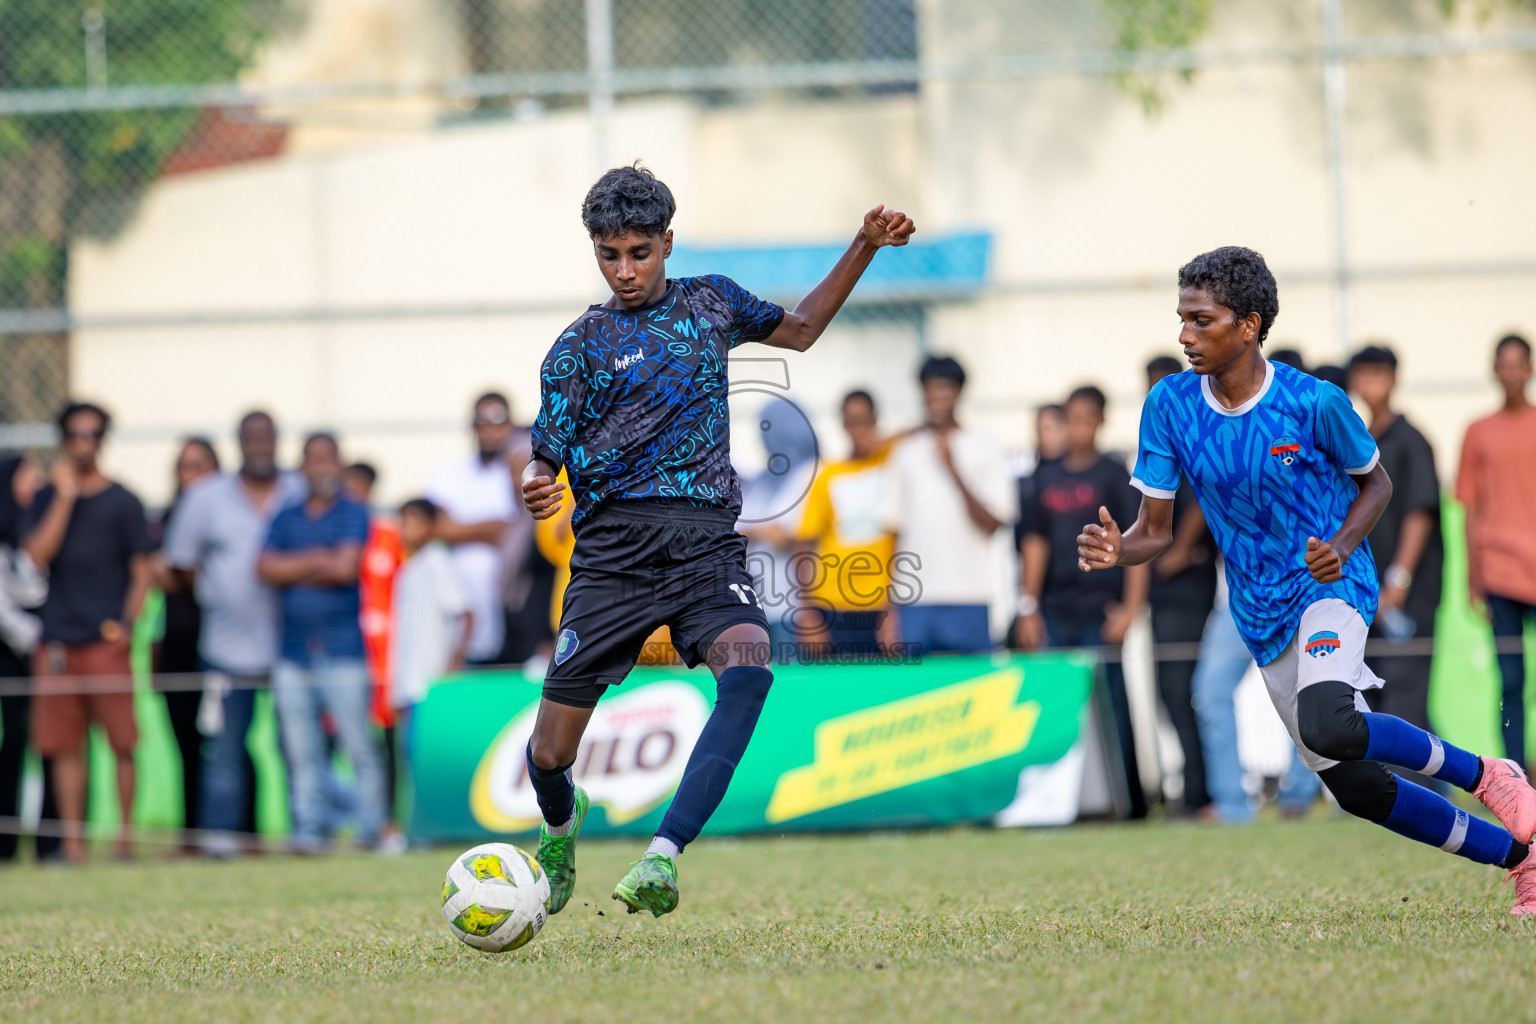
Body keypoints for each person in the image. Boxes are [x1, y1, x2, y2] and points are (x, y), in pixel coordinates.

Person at [1078, 245, 1536, 914]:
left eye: (1202, 320)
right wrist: (1122, 550)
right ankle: (1521, 859)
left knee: (1331, 722)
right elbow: (1156, 528)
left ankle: (1490, 774)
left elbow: (1374, 484)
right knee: (1356, 789)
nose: (1184, 336)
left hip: (1333, 586)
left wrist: (1343, 546)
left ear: (1249, 324)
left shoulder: (1312, 402)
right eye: (1181, 319)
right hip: (1258, 612)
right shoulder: (1170, 405)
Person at [520, 163, 914, 917]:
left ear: (668, 242)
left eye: (640, 251)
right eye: (610, 255)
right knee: (549, 754)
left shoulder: (712, 302)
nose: (626, 270)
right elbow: (547, 447)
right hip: (612, 557)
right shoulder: (581, 345)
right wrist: (538, 476)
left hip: (704, 548)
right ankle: (562, 826)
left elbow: (799, 331)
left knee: (750, 670)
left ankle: (662, 858)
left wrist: (864, 244)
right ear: (595, 253)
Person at [164, 410, 302, 856]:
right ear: (239, 442)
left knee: (297, 748)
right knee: (223, 751)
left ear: (277, 440)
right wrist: (219, 593)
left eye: (267, 436)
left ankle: (305, 836)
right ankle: (221, 841)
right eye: (251, 437)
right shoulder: (206, 496)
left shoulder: (298, 489)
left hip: (291, 646)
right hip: (224, 647)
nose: (260, 445)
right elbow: (180, 564)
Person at [22, 401, 153, 862]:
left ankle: (125, 840)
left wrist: (127, 625)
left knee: (121, 743)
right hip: (58, 640)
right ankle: (73, 845)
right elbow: (37, 555)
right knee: (64, 747)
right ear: (63, 439)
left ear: (103, 439)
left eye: (93, 434)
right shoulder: (45, 497)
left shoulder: (124, 501)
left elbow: (143, 570)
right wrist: (63, 496)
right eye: (76, 435)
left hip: (106, 641)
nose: (84, 444)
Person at [1017, 384, 1149, 817]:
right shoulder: (1044, 477)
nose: (1078, 427)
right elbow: (1033, 546)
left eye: (1087, 419)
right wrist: (1029, 607)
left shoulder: (1113, 473)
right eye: (1071, 418)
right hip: (1054, 609)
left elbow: (1135, 542)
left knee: (1114, 705)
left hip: (1101, 610)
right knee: (1053, 708)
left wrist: (1130, 609)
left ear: (1101, 421)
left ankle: (1131, 804)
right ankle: (1052, 806)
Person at [258, 432, 384, 852]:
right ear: (303, 467)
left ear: (340, 465)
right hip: (293, 650)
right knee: (301, 750)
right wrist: (318, 559)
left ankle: (369, 830)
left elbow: (346, 568)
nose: (322, 467)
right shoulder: (286, 514)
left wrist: (297, 564)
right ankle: (310, 832)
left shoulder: (353, 511)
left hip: (343, 647)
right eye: (314, 460)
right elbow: (265, 567)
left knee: (357, 745)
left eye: (329, 459)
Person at [1347, 345, 1445, 790]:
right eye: (1362, 375)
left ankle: (1416, 796)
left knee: (1406, 689)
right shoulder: (1363, 442)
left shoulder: (1411, 440)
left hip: (1408, 593)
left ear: (1393, 378)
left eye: (1378, 374)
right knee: (1381, 692)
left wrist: (1399, 580)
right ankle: (1436, 784)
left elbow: (1419, 513)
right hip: (1371, 594)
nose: (1370, 384)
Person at [886, 356, 1015, 655]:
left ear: (958, 393)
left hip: (969, 595)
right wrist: (888, 608)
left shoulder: (986, 446)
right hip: (914, 600)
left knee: (974, 689)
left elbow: (994, 523)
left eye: (944, 390)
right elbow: (893, 531)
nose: (936, 399)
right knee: (916, 694)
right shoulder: (904, 452)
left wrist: (953, 469)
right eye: (930, 390)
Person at [1142, 355, 1217, 817]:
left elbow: (1198, 503)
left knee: (1182, 690)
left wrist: (1176, 551)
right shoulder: (1161, 436)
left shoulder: (1197, 432)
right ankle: (1194, 791)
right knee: (1168, 693)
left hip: (1188, 590)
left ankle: (1198, 795)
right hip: (1164, 592)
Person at [1457, 334, 1536, 770]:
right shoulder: (1477, 432)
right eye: (1503, 364)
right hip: (1500, 574)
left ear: (1529, 368)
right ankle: (1517, 779)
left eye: (1518, 364)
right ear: (1494, 369)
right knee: (1511, 682)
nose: (1510, 372)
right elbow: (1470, 508)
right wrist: (1474, 579)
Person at [149, 437, 221, 852]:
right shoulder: (166, 518)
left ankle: (235, 829)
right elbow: (159, 573)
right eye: (184, 466)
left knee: (224, 742)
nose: (190, 475)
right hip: (177, 642)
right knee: (185, 744)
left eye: (200, 465)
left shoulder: (227, 513)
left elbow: (178, 573)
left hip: (216, 643)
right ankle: (191, 833)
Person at [795, 390, 897, 659]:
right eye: (852, 422)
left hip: (880, 606)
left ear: (876, 421)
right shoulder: (828, 474)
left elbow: (922, 432)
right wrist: (807, 613)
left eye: (864, 421)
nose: (858, 429)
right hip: (830, 604)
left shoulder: (892, 464)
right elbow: (805, 544)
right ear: (842, 425)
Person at [427, 394, 517, 665]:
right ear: (473, 427)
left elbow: (518, 533)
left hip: (509, 607)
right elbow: (437, 528)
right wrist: (495, 528)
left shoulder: (518, 474)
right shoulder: (449, 474)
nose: (491, 430)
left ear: (511, 425)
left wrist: (459, 528)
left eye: (498, 422)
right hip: (458, 605)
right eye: (483, 422)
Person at [343, 460, 405, 841]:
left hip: (387, 659)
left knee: (387, 747)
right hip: (344, 655)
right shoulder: (333, 532)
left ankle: (388, 823)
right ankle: (356, 819)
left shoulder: (388, 534)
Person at [0, 455, 57, 863]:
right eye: (29, 472)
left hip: (51, 646)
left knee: (54, 741)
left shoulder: (48, 519)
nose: (37, 480)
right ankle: (6, 842)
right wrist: (32, 638)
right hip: (13, 651)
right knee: (15, 741)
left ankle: (51, 842)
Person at [389, 498, 472, 752]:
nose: (406, 529)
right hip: (409, 684)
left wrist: (453, 666)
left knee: (426, 758)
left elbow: (466, 614)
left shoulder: (437, 561)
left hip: (429, 684)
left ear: (432, 525)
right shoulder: (411, 566)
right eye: (403, 522)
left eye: (413, 521)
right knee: (411, 758)